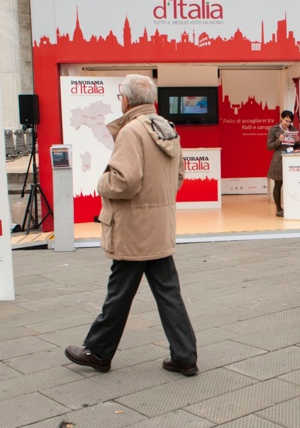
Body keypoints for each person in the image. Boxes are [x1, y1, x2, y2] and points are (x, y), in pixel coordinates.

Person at [65, 74, 199, 377]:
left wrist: (101, 182)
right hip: (159, 224)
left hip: (133, 227)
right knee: (168, 293)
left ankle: (98, 351)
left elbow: (124, 181)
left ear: (126, 100)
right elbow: (179, 176)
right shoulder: (167, 129)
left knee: (119, 292)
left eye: (119, 97)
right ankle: (185, 355)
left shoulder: (131, 131)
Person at [266, 109, 300, 217]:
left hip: (291, 157)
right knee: (278, 183)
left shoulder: (293, 129)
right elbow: (269, 146)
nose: (287, 124)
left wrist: (297, 141)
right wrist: (279, 140)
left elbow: (297, 146)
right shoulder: (273, 129)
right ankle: (279, 209)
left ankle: (292, 206)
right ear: (281, 118)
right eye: (286, 121)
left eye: (290, 121)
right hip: (279, 158)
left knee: (292, 183)